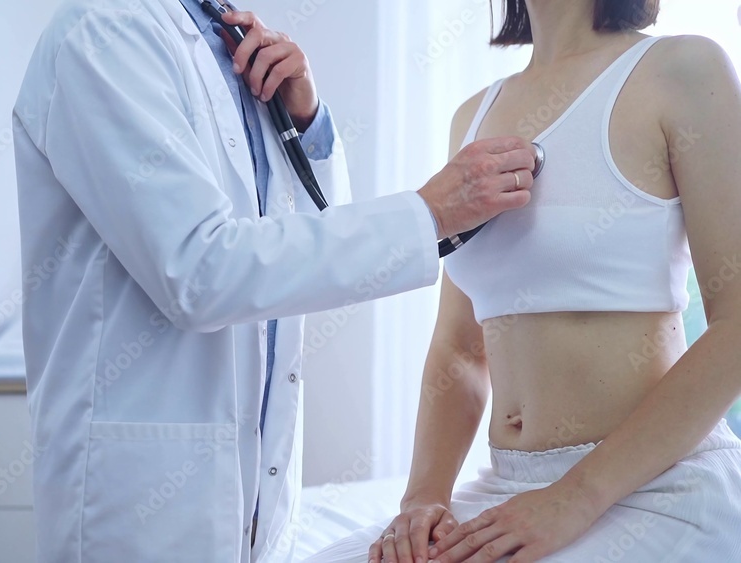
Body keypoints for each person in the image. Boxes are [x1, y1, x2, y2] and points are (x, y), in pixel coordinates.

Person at [10, 0, 537, 561]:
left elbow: (309, 240)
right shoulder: (103, 35)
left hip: (253, 487)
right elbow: (199, 271)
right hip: (141, 497)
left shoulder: (225, 44)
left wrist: (306, 124)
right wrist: (429, 212)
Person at [305, 1, 741, 562]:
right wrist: (422, 498)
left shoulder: (683, 69)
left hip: (652, 485)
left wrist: (574, 498)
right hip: (508, 489)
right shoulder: (474, 115)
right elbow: (461, 350)